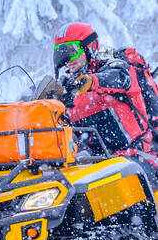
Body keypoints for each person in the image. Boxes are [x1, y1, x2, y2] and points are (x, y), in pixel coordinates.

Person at [53, 22, 158, 166]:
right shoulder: (68, 90)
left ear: (89, 46)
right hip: (94, 166)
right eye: (61, 53)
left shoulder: (113, 67)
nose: (68, 59)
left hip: (136, 159)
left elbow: (122, 77)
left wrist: (93, 81)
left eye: (72, 50)